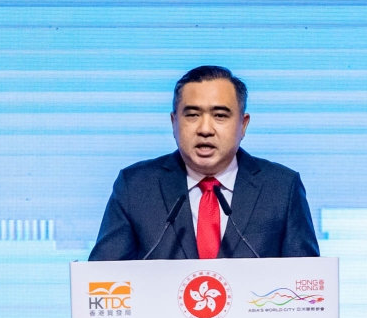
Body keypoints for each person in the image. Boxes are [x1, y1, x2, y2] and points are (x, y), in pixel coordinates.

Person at [88, 65, 319, 261]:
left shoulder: (281, 188)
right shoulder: (136, 187)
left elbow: (306, 278)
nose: (205, 129)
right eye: (192, 115)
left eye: (220, 115)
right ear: (173, 122)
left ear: (243, 124)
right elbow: (102, 279)